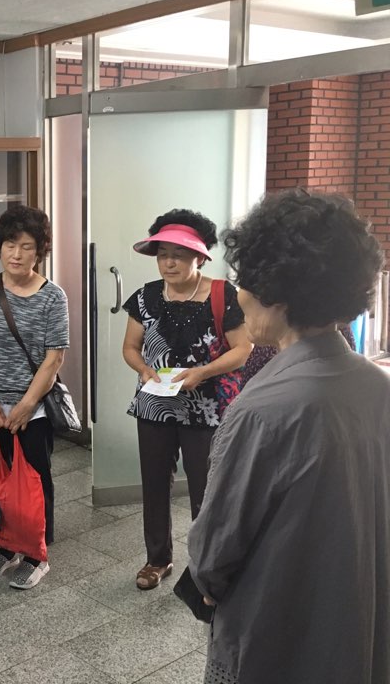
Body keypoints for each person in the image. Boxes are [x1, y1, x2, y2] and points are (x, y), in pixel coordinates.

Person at [188, 190, 389, 684]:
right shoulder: (377, 386)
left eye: (244, 282)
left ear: (276, 293)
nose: (239, 296)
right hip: (361, 615)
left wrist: (206, 583)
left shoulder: (263, 410)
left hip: (278, 627)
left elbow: (213, 556)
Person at [121, 209, 251, 591]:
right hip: (154, 406)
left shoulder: (223, 294)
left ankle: (205, 566)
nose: (169, 263)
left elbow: (243, 349)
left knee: (206, 490)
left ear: (199, 257)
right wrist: (144, 370)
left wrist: (202, 373)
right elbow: (130, 348)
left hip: (206, 409)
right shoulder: (145, 297)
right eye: (163, 255)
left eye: (178, 255)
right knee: (154, 485)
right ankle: (157, 560)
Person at [0, 205, 68, 589]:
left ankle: (38, 553)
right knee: (0, 476)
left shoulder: (52, 297)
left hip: (33, 408)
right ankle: (7, 546)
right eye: (10, 244)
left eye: (27, 246)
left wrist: (26, 405)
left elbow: (54, 358)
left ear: (39, 251)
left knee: (35, 479)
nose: (17, 254)